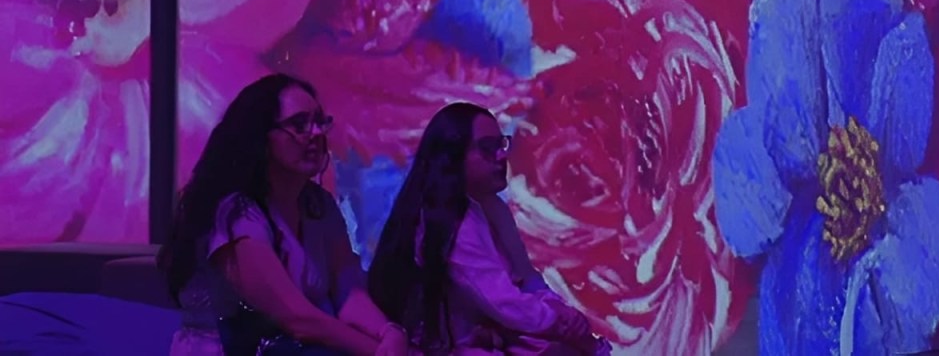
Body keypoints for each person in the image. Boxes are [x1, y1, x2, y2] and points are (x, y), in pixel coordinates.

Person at [158, 74, 409, 356]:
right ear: (261, 137)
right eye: (299, 125)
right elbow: (296, 318)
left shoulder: (319, 205)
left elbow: (348, 291)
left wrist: (390, 333)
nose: (316, 133)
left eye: (319, 122)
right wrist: (378, 352)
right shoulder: (235, 212)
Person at [368, 102, 607, 355]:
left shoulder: (492, 206)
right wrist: (561, 322)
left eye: (500, 145)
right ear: (453, 157)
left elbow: (525, 279)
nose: (502, 156)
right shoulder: (450, 222)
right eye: (487, 148)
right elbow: (504, 303)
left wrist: (561, 315)